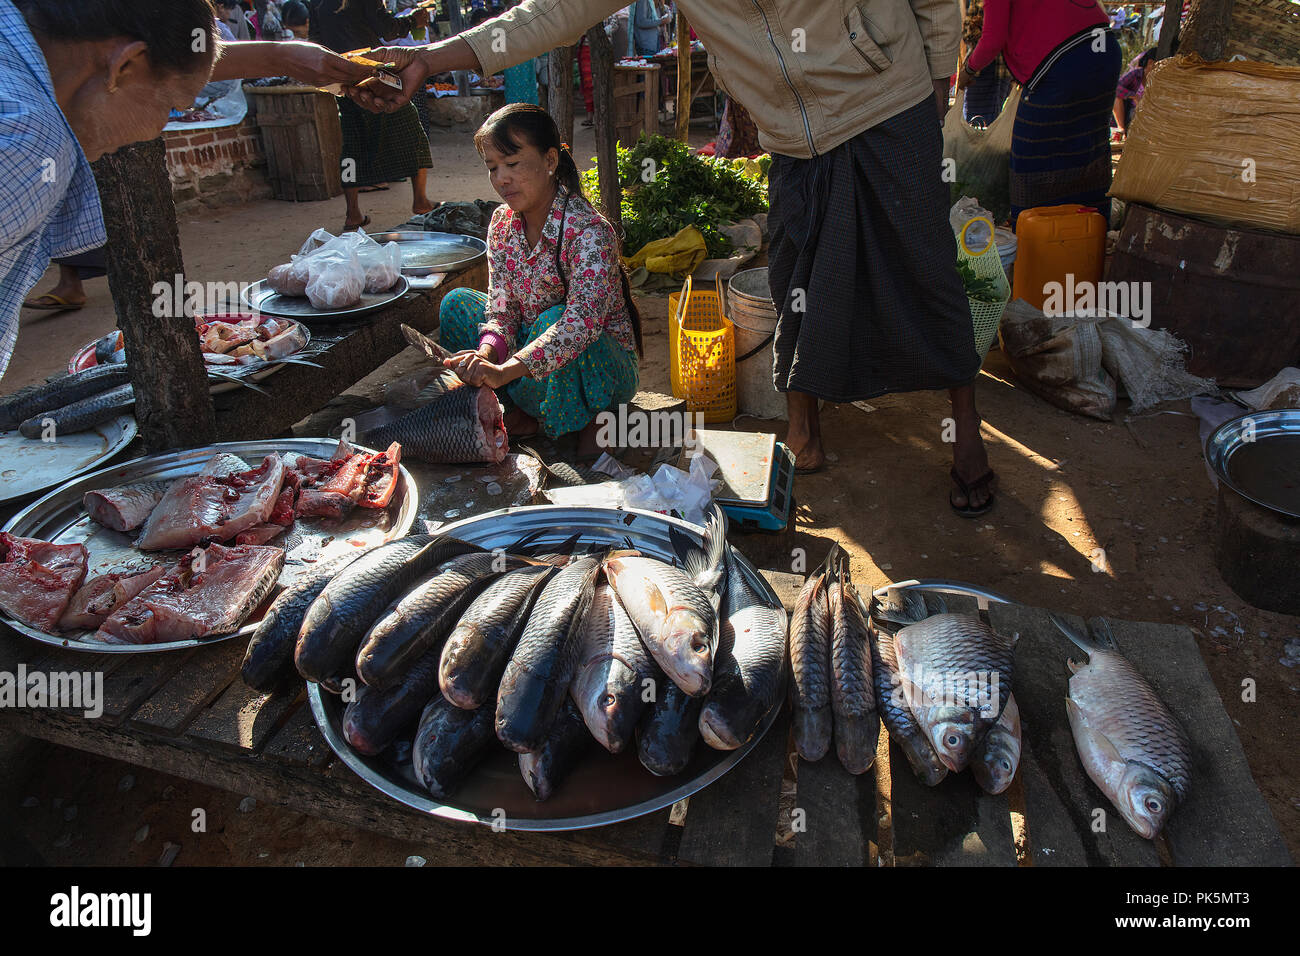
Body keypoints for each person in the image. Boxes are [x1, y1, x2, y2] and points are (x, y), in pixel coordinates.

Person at [350, 0, 1001, 514]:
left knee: (924, 269)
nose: (501, 178)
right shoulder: (504, 227)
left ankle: (965, 431)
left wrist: (940, 70)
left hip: (887, 97)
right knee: (797, 274)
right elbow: (553, 10)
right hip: (791, 134)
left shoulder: (580, 228)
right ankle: (805, 430)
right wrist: (431, 60)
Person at [0, 0, 372, 381]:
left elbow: (162, 59)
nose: (162, 123)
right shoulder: (27, 141)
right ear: (125, 66)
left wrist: (279, 55)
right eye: (172, 105)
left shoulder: (27, 44)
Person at [437, 104, 642, 457]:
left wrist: (503, 371)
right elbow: (501, 309)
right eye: (493, 167)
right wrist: (486, 356)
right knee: (455, 305)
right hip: (527, 366)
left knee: (555, 319)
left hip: (598, 368)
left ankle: (567, 423)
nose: (502, 178)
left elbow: (580, 325)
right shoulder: (502, 224)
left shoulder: (590, 232)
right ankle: (517, 414)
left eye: (513, 164)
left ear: (550, 161)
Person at [959, 0, 1122, 224]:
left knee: (1031, 156)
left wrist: (969, 70)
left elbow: (993, 39)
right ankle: (1088, 233)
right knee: (1086, 149)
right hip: (1104, 50)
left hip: (1064, 60)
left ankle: (1035, 237)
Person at [310, 0, 434, 231]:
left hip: (340, 75)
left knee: (352, 141)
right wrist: (413, 20)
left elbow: (314, 40)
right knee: (412, 131)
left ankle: (353, 213)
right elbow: (387, 29)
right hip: (372, 70)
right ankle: (421, 201)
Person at [1113, 46, 1156, 137]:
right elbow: (1116, 88)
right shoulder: (1136, 74)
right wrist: (1133, 96)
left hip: (1149, 115)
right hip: (1131, 113)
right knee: (1116, 97)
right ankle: (1121, 129)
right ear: (1150, 63)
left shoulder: (1160, 80)